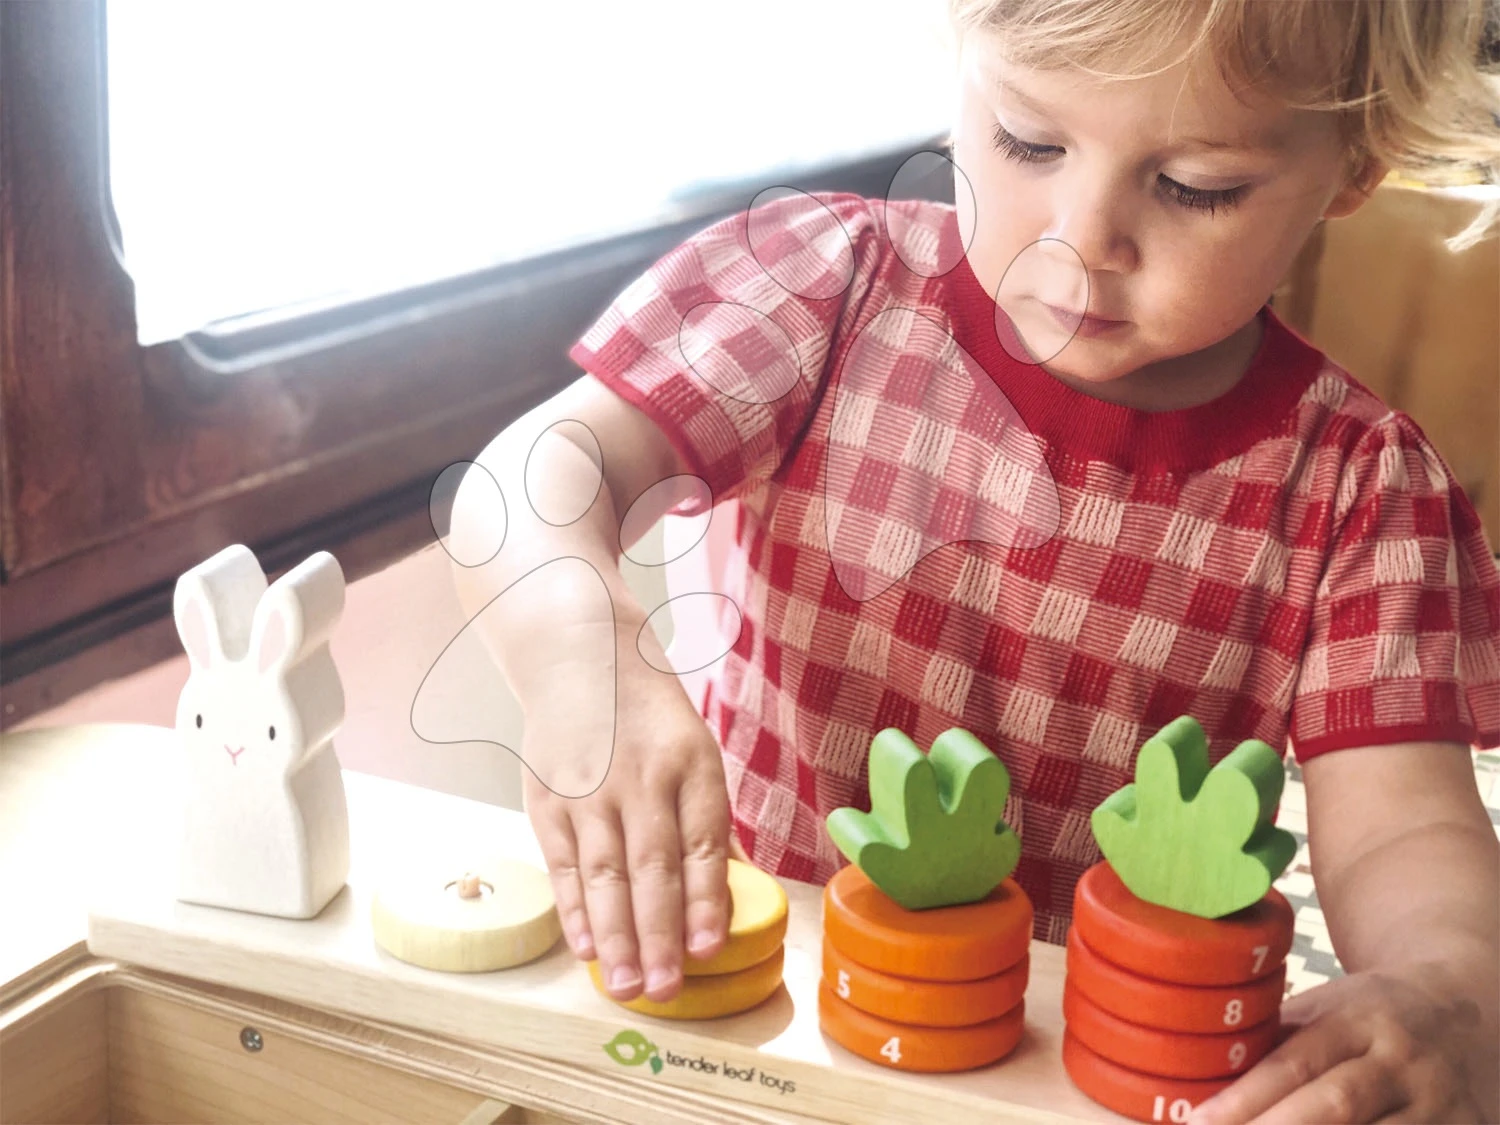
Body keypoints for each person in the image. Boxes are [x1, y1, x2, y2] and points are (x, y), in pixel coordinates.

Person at [451, 0, 1500, 1118]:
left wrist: (1456, 988)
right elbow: (529, 478)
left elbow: (1406, 829)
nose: (1079, 238)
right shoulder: (822, 287)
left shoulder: (1361, 489)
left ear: (1357, 164)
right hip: (751, 1022)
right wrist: (583, 658)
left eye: (1196, 186)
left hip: (1068, 1080)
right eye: (1029, 142)